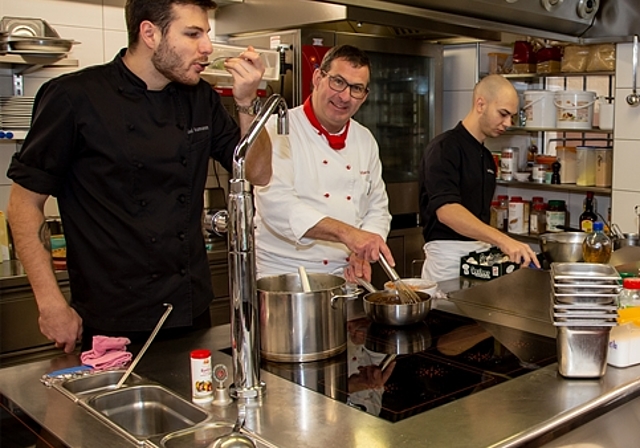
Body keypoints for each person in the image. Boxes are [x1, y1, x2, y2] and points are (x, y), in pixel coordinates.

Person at [6, 0, 271, 354]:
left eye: (206, 33)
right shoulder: (74, 97)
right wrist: (50, 302)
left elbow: (259, 172)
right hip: (112, 317)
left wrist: (248, 101)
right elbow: (24, 204)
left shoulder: (200, 97)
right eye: (192, 34)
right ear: (150, 33)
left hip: (190, 308)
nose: (207, 47)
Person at [254, 45, 393, 282]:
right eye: (338, 82)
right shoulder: (278, 130)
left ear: (365, 96)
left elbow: (377, 207)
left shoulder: (364, 139)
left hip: (345, 276)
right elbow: (277, 203)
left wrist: (362, 251)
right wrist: (348, 234)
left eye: (356, 88)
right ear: (318, 78)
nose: (345, 96)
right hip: (286, 278)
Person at [419, 74, 539, 282]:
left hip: (480, 258)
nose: (508, 123)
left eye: (511, 116)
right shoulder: (445, 148)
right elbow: (447, 211)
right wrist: (503, 240)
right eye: (503, 114)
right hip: (448, 262)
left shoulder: (486, 159)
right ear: (480, 104)